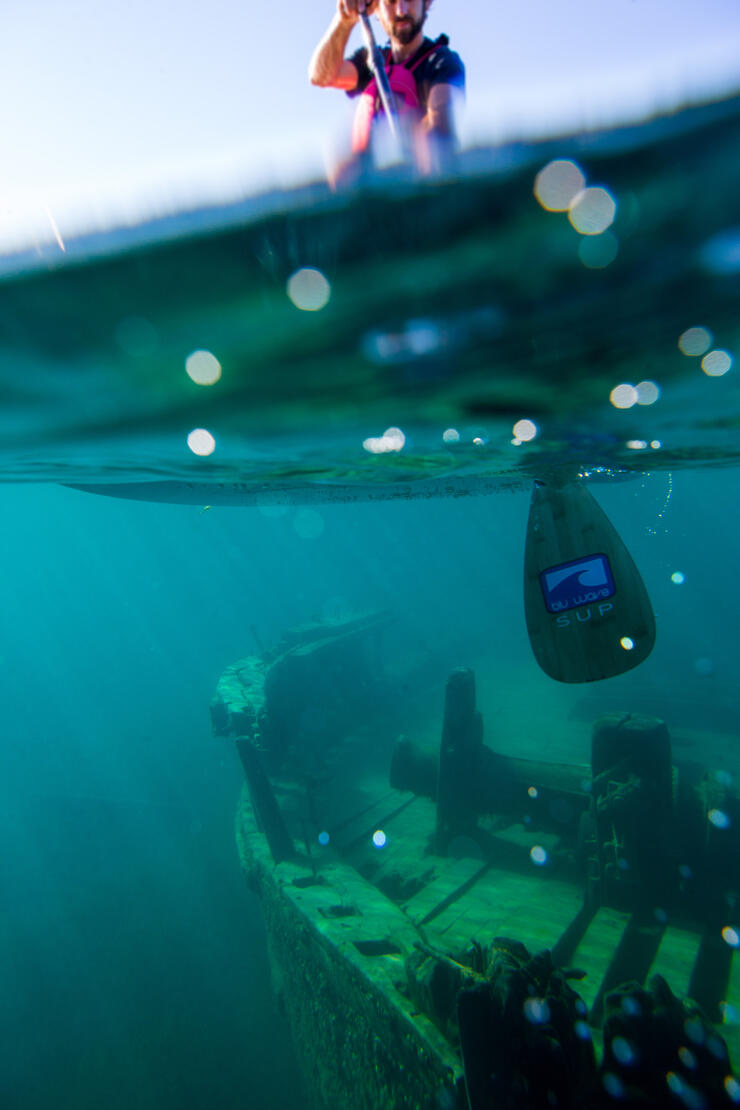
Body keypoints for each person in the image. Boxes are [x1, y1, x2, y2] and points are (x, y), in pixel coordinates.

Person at [309, 0, 465, 179]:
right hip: (371, 186)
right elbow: (321, 76)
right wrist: (344, 20)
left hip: (421, 183)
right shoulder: (371, 61)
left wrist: (396, 131)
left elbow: (440, 132)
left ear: (427, 3)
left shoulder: (441, 62)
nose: (401, 10)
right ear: (377, 9)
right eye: (390, 2)